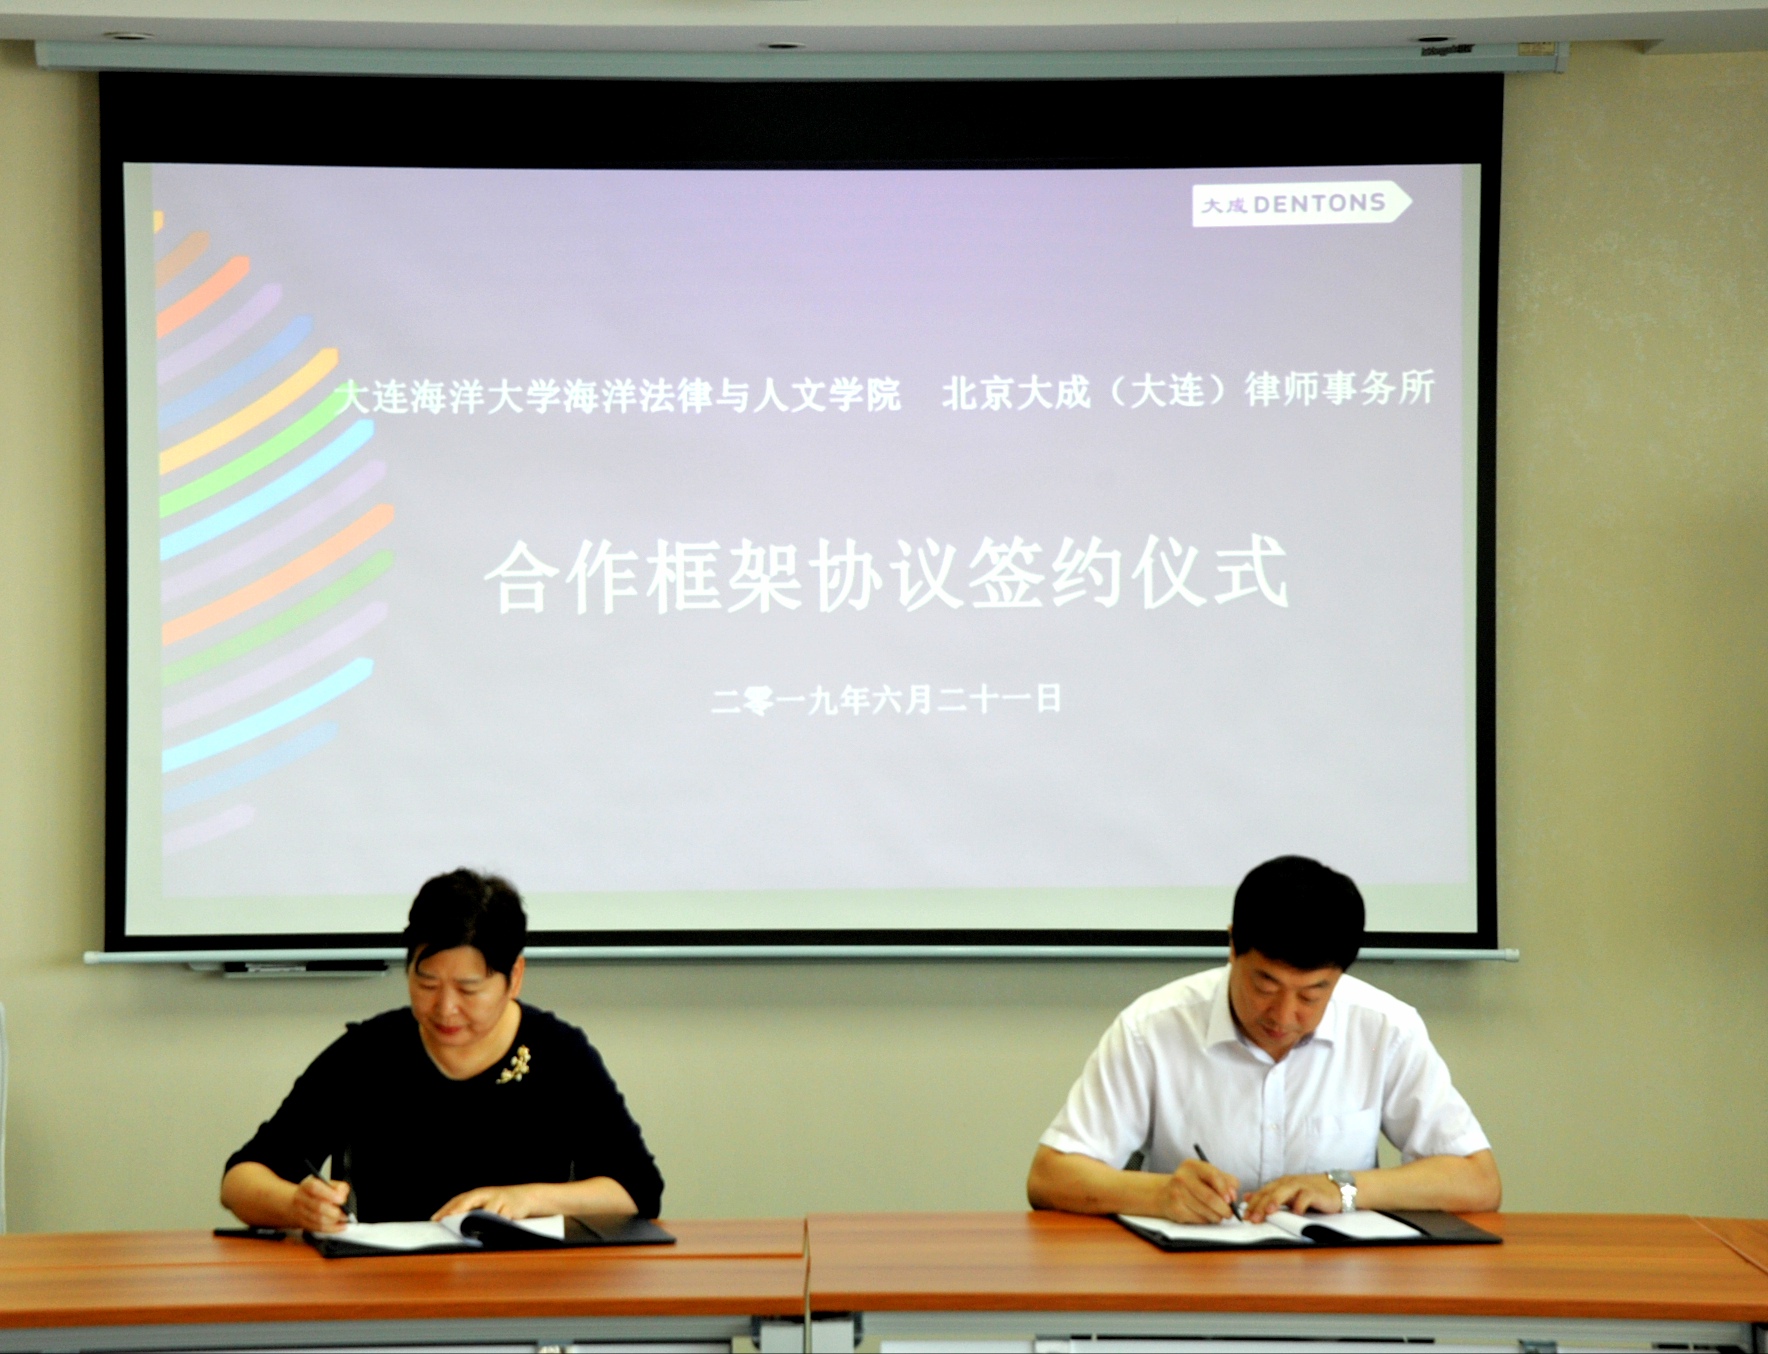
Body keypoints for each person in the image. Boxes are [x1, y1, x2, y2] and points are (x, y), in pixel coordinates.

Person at [1027, 855, 1500, 1224]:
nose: (1284, 1015)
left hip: (1340, 1294)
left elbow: (1477, 1181)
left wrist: (1344, 1188)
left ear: (1340, 975)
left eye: (1312, 994)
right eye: (1265, 985)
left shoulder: (1385, 1028)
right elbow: (1050, 1176)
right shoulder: (1153, 1028)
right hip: (1190, 1291)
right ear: (1233, 946)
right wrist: (1159, 1193)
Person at [220, 869, 663, 1232]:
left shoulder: (560, 1054)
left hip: (523, 1288)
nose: (445, 1008)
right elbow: (241, 1178)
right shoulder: (368, 1053)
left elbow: (638, 1190)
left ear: (514, 977)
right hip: (387, 1287)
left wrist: (528, 1198)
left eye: (469, 989)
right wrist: (295, 1205)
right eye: (427, 983)